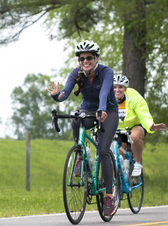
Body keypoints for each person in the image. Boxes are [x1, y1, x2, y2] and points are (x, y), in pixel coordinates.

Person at [46, 40, 119, 216]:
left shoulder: (107, 72)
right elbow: (65, 93)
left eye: (88, 58)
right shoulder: (76, 73)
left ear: (96, 58)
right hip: (87, 110)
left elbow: (104, 92)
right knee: (75, 119)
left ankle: (110, 196)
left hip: (108, 111)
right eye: (81, 59)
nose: (85, 61)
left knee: (102, 151)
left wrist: (101, 109)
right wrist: (57, 97)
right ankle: (80, 154)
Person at [113, 74, 165, 176]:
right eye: (114, 87)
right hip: (117, 129)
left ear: (125, 88)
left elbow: (143, 112)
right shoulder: (107, 97)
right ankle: (116, 189)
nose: (117, 90)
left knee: (134, 137)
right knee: (114, 159)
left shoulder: (133, 96)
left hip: (134, 125)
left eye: (120, 87)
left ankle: (137, 163)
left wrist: (150, 125)